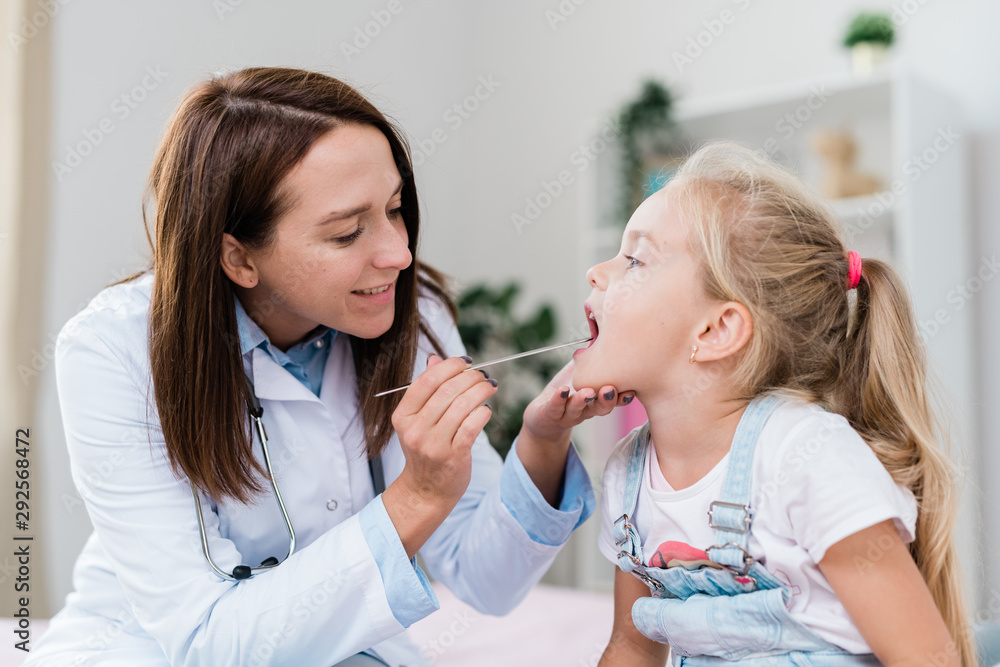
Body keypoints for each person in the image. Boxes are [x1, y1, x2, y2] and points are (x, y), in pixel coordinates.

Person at [28, 67, 629, 666]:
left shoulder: (410, 313)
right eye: (346, 233)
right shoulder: (112, 350)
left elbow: (487, 583)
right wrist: (414, 499)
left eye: (395, 209)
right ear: (238, 257)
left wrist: (542, 441)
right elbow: (209, 643)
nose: (399, 254)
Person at [576, 142, 975, 666]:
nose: (595, 273)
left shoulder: (807, 458)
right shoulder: (628, 476)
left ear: (717, 330)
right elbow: (632, 647)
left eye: (634, 259)